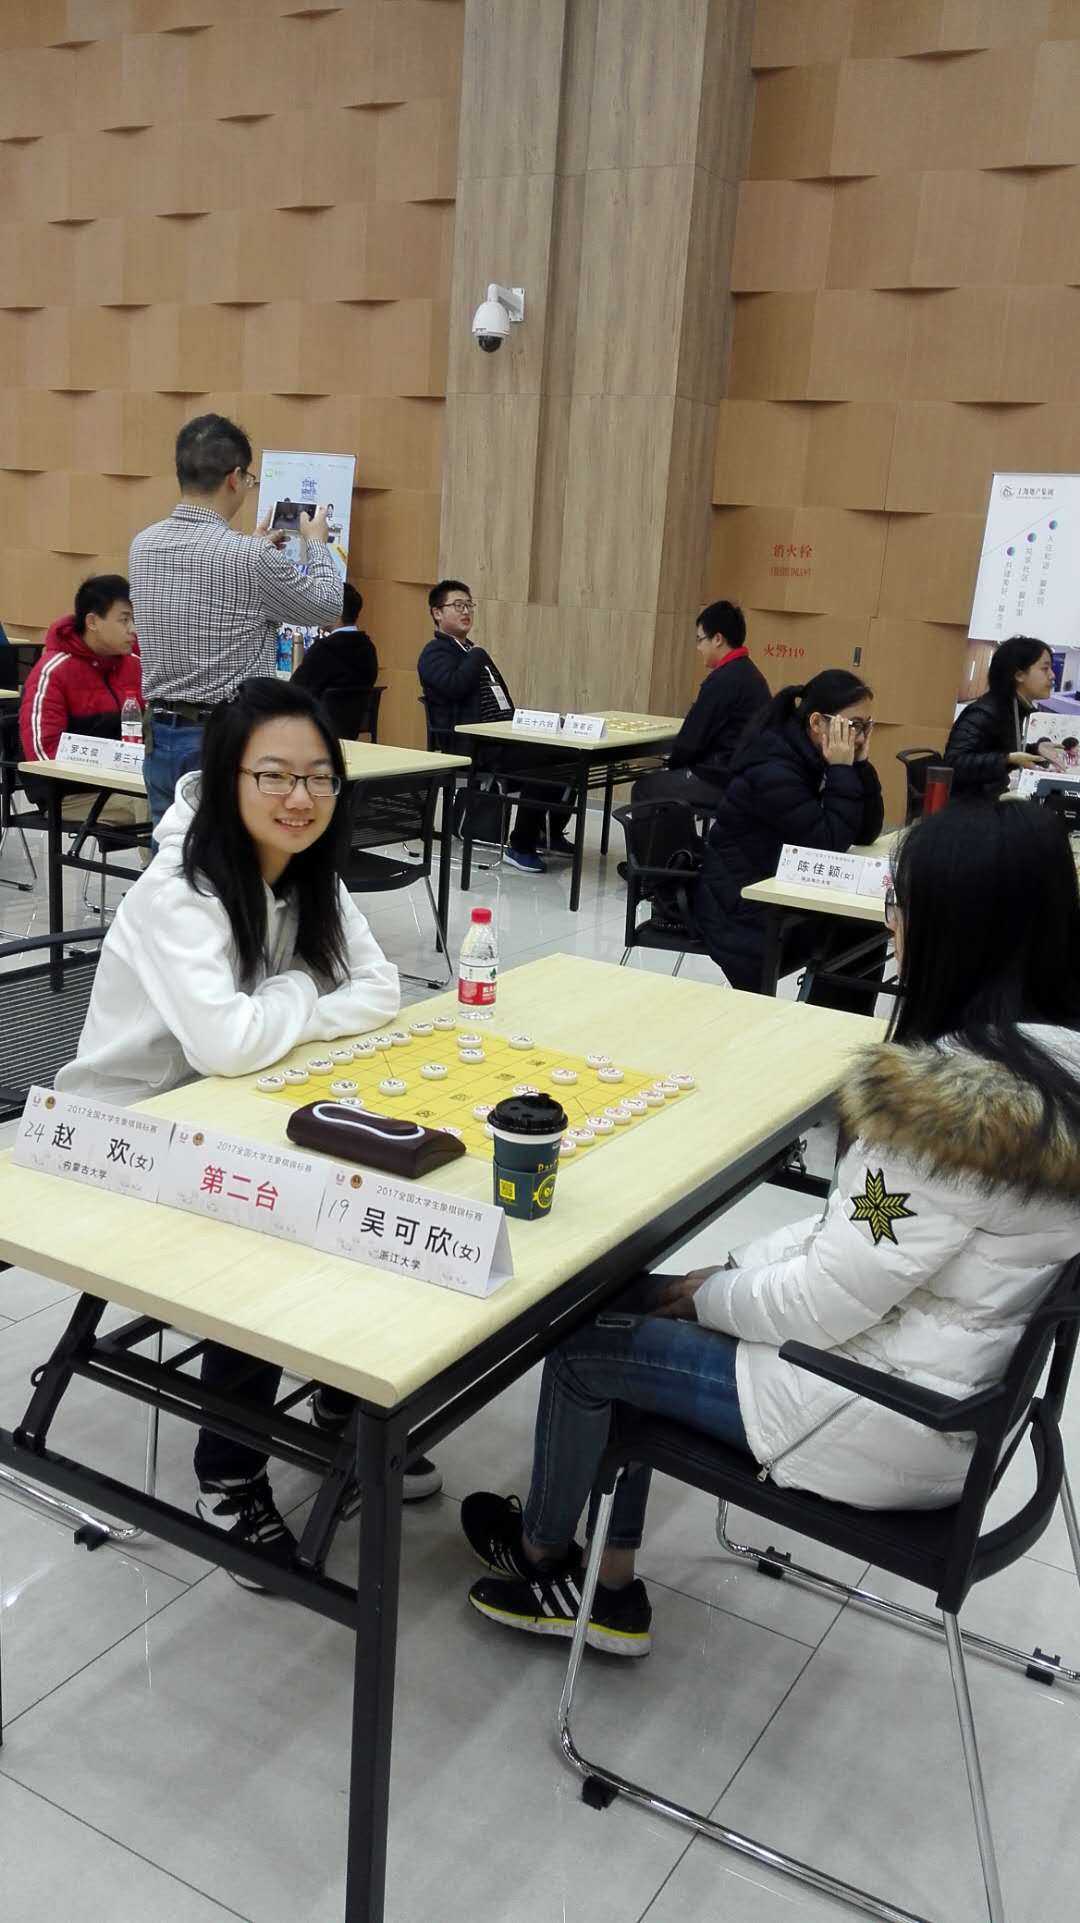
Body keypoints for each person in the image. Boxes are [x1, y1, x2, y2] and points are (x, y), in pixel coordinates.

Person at [459, 799, 1080, 1655]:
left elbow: (824, 1302)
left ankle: (556, 1566)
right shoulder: (1052, 1074)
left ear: (960, 929)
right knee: (637, 1300)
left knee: (581, 1346)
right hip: (947, 1394)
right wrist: (718, 1280)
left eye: (901, 903)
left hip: (876, 1412)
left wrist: (707, 1294)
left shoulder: (949, 1118)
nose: (891, 924)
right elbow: (853, 1248)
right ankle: (604, 1572)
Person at [56, 679, 441, 1585]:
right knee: (271, 1216)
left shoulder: (306, 868)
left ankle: (341, 1402)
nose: (299, 797)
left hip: (238, 1104)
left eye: (319, 776)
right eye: (274, 774)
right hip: (121, 1137)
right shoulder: (178, 889)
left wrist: (278, 1008)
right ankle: (227, 1477)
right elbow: (225, 1044)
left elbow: (382, 988)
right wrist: (304, 989)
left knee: (370, 1174)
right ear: (229, 777)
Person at [128, 413, 342, 827]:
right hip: (224, 738)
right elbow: (327, 607)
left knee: (169, 854)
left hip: (159, 732)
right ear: (235, 477)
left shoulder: (144, 545)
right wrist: (316, 544)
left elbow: (202, 591)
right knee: (226, 857)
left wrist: (254, 551)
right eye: (249, 479)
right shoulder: (249, 556)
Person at [693, 669, 884, 1004]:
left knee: (866, 927)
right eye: (853, 725)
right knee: (853, 929)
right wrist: (841, 770)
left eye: (866, 727)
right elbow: (828, 843)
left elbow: (866, 833)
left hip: (779, 889)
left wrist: (860, 766)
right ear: (817, 723)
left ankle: (836, 1023)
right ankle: (823, 1021)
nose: (858, 737)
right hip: (742, 905)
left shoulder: (811, 756)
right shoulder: (773, 767)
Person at [418, 580, 572, 874]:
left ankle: (547, 832)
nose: (466, 611)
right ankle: (520, 845)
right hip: (471, 744)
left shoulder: (470, 651)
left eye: (469, 605)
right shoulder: (435, 653)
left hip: (500, 738)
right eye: (458, 605)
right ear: (437, 613)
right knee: (542, 764)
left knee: (566, 753)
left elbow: (501, 697)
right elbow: (454, 687)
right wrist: (477, 655)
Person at [19, 574, 149, 834]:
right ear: (92, 622)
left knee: (189, 792)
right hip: (69, 796)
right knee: (155, 801)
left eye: (135, 620)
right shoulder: (53, 671)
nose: (133, 629)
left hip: (126, 783)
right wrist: (108, 766)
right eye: (124, 620)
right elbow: (42, 754)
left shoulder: (135, 665)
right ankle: (162, 862)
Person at [632, 602, 769, 808]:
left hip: (722, 778)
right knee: (671, 783)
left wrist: (673, 766)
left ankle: (674, 831)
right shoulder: (751, 674)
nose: (698, 648)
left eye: (700, 640)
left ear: (717, 639)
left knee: (645, 789)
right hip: (749, 776)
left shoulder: (723, 680)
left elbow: (692, 739)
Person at [944, 635, 1055, 800]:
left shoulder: (1013, 708)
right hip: (969, 805)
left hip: (990, 798)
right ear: (1019, 675)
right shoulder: (985, 712)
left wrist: (1035, 749)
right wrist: (1007, 759)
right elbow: (953, 763)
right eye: (1045, 668)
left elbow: (998, 752)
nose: (1052, 675)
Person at [291, 581, 378, 736]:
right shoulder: (369, 648)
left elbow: (295, 691)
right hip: (351, 729)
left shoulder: (323, 649)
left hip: (315, 731)